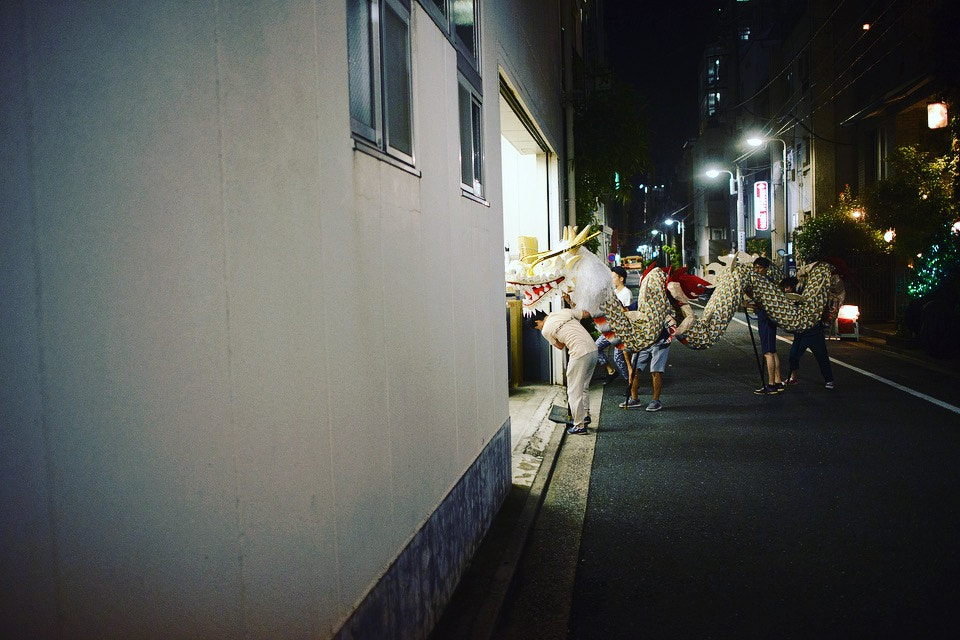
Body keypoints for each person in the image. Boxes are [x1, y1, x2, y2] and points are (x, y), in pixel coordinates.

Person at [527, 308, 599, 434]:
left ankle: (580, 425)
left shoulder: (545, 330)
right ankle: (585, 415)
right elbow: (586, 313)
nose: (538, 329)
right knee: (584, 386)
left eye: (537, 327)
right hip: (593, 349)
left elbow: (560, 346)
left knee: (573, 390)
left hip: (579, 353)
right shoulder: (563, 311)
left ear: (538, 321)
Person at [780, 276, 836, 389]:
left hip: (815, 331)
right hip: (800, 332)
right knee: (793, 355)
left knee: (822, 356)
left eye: (787, 287)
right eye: (785, 288)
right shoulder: (789, 299)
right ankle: (793, 377)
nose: (786, 290)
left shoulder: (809, 295)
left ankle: (829, 379)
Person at [618, 321, 672, 412]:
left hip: (660, 340)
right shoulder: (626, 331)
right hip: (643, 341)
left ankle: (656, 401)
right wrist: (630, 368)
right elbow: (625, 349)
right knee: (634, 369)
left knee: (655, 370)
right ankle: (634, 399)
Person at [750, 257, 784, 395]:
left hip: (767, 319)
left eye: (760, 268)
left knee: (768, 352)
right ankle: (777, 381)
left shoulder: (766, 283)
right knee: (773, 350)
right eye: (756, 268)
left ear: (766, 269)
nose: (757, 270)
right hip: (767, 318)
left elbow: (763, 303)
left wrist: (749, 305)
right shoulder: (765, 283)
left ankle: (771, 385)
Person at [596, 266, 633, 384]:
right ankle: (610, 371)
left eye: (614, 277)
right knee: (595, 348)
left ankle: (631, 383)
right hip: (610, 328)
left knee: (618, 358)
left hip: (620, 330)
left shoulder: (626, 293)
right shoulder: (614, 292)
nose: (612, 280)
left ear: (621, 279)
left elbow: (627, 312)